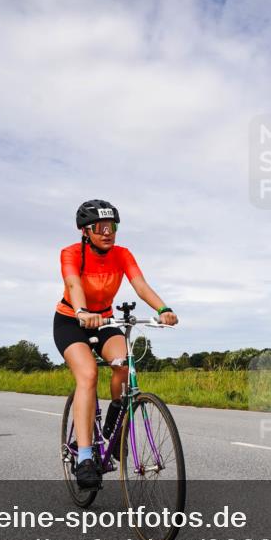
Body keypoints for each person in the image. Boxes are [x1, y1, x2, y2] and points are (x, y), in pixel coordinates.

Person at [55, 200, 177, 491]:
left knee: (123, 366)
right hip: (72, 321)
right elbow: (74, 285)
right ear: (86, 231)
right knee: (88, 376)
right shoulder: (71, 253)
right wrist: (83, 313)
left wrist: (163, 309)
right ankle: (85, 457)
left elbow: (141, 285)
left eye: (113, 227)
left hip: (105, 320)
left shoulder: (122, 255)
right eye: (101, 228)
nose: (108, 233)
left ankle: (115, 418)